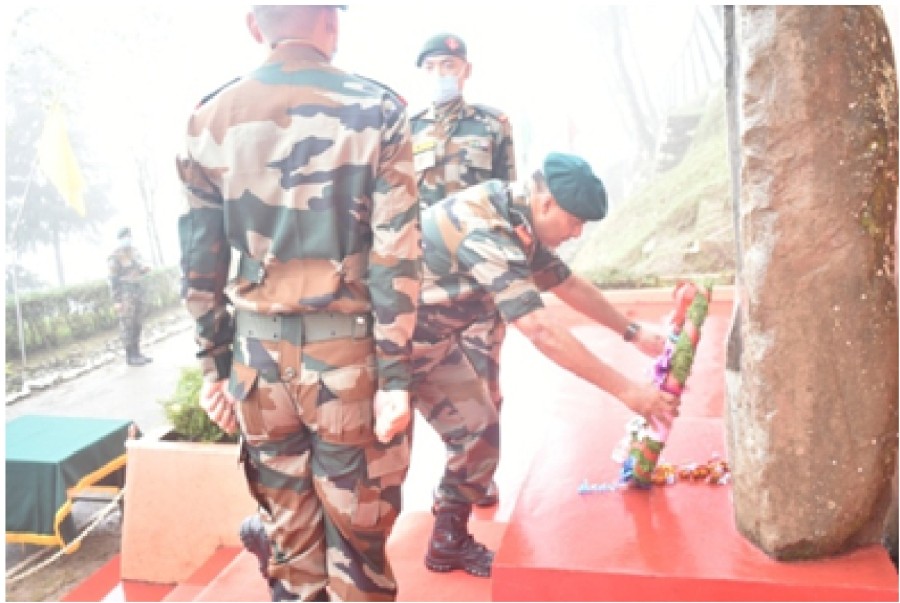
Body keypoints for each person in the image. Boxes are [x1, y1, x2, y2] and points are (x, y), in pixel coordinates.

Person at [176, 6, 421, 601]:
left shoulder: (209, 117)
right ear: (331, 25)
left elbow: (199, 259)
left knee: (290, 543)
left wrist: (214, 365)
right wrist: (394, 375)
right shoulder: (378, 110)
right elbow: (396, 254)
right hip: (349, 361)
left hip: (255, 368)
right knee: (358, 547)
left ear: (254, 27)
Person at [412, 152, 680, 577]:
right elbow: (538, 327)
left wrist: (632, 332)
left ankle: (448, 541)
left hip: (430, 345)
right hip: (381, 348)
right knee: (370, 476)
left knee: (479, 427)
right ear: (547, 203)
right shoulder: (485, 226)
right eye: (575, 222)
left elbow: (566, 283)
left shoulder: (521, 220)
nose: (576, 233)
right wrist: (628, 391)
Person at [411, 32, 517, 507]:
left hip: (478, 278)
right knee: (430, 380)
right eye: (433, 66)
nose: (442, 74)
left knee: (483, 380)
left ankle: (477, 477)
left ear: (466, 70)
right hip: (427, 280)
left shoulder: (492, 125)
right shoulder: (407, 131)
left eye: (450, 66)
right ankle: (450, 471)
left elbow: (506, 198)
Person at [107, 226, 152, 366]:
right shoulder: (115, 256)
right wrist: (117, 301)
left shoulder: (134, 252)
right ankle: (130, 356)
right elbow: (113, 280)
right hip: (125, 295)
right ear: (120, 238)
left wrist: (144, 269)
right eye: (126, 236)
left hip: (138, 292)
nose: (128, 238)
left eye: (129, 236)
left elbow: (140, 268)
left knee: (137, 323)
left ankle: (137, 353)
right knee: (128, 325)